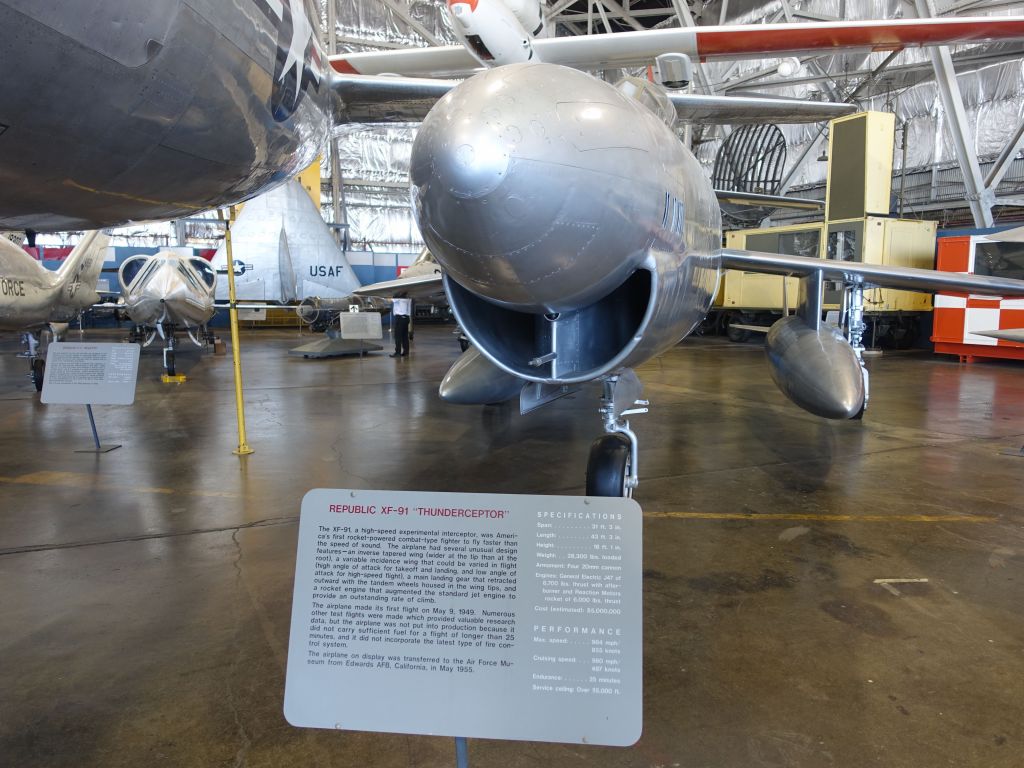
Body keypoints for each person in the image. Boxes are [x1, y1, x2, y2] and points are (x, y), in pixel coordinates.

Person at [390, 292, 412, 357]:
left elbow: (390, 300)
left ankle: (398, 353)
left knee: (398, 336)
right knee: (404, 336)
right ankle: (406, 352)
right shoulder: (408, 299)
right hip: (407, 318)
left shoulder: (398, 299)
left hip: (400, 318)